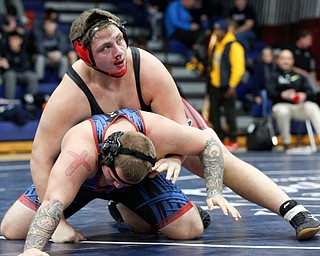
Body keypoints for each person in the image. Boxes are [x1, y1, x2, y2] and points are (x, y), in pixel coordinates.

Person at [1, 8, 319, 244]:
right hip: (91, 164)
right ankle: (127, 207)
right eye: (105, 48)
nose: (118, 53)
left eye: (120, 41)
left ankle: (291, 209)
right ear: (86, 57)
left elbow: (177, 126)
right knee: (13, 229)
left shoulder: (145, 66)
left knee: (215, 156)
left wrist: (172, 158)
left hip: (154, 136)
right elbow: (41, 158)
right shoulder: (71, 93)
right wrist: (56, 224)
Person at [16, 108, 241, 255]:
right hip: (84, 180)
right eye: (114, 180)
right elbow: (53, 201)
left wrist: (214, 190)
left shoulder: (158, 130)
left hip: (136, 179)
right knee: (14, 228)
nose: (116, 184)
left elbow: (208, 141)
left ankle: (123, 203)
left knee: (190, 230)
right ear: (104, 157)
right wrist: (33, 250)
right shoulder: (80, 154)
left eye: (122, 184)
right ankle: (126, 199)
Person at [266, 49, 320, 150]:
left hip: (299, 107)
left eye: (288, 59)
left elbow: (311, 93)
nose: (286, 61)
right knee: (282, 111)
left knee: (313, 107)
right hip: (281, 105)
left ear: (293, 61)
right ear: (278, 60)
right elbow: (270, 93)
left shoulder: (299, 75)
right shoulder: (273, 76)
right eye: (283, 59)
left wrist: (304, 95)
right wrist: (282, 95)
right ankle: (287, 143)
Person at [206, 19, 245, 151]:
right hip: (214, 84)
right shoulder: (215, 43)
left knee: (230, 113)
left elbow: (238, 67)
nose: (216, 33)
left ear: (225, 31)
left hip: (227, 85)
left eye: (219, 31)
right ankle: (220, 138)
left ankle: (233, 139)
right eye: (215, 30)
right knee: (214, 114)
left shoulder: (234, 46)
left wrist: (232, 85)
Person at [0, 30, 38, 99]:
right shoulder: (4, 51)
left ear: (21, 41)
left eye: (16, 40)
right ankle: (10, 101)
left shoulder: (25, 51)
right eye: (12, 40)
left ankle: (30, 99)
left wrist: (8, 67)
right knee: (10, 75)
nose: (14, 42)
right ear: (8, 42)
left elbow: (23, 68)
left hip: (21, 73)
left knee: (32, 76)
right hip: (8, 74)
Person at [32, 16, 70, 81]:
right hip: (45, 58)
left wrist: (58, 54)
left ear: (55, 25)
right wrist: (48, 54)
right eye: (46, 24)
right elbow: (39, 49)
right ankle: (39, 79)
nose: (48, 26)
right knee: (39, 58)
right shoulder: (40, 35)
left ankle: (62, 79)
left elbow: (63, 47)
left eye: (51, 24)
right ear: (44, 26)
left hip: (56, 58)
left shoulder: (60, 35)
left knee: (64, 59)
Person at [251, 46, 275, 117]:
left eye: (268, 55)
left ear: (272, 56)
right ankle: (266, 117)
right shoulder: (258, 67)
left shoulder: (276, 67)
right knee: (265, 94)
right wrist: (256, 95)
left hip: (275, 91)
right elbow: (255, 82)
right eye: (264, 55)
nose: (266, 57)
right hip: (263, 90)